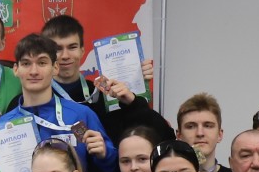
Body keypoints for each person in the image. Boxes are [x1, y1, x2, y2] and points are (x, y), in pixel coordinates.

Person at [0, 34, 116, 172]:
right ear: (16, 70)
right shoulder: (2, 127)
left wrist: (105, 154)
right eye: (26, 63)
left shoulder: (80, 115)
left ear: (55, 67)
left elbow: (111, 169)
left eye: (42, 63)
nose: (34, 71)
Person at [41, 14, 171, 149]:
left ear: (82, 51)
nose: (65, 56)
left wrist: (134, 100)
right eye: (57, 49)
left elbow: (161, 135)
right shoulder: (36, 99)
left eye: (72, 47)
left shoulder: (104, 93)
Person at [175, 93, 234, 172]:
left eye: (208, 126)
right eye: (191, 126)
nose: (200, 133)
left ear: (220, 135)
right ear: (179, 136)